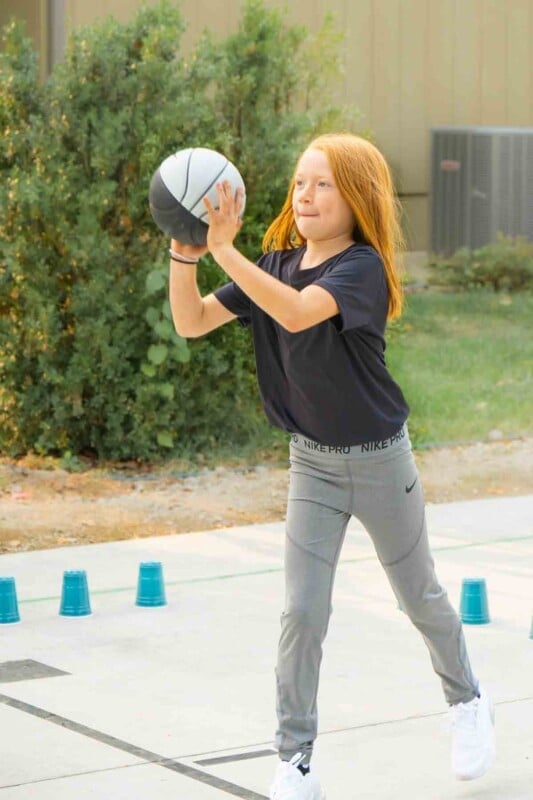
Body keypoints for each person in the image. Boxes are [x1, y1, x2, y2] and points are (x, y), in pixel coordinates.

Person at [167, 132, 496, 800]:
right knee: (302, 613)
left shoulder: (359, 269)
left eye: (323, 184)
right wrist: (184, 249)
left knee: (419, 596)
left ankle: (467, 704)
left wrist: (223, 248)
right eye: (298, 182)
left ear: (358, 198)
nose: (306, 194)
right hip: (310, 466)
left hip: (380, 461)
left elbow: (292, 316)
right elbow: (191, 320)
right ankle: (295, 760)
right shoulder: (274, 264)